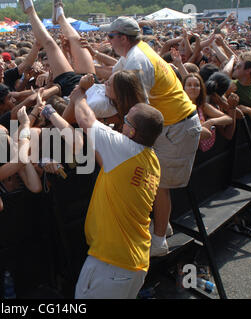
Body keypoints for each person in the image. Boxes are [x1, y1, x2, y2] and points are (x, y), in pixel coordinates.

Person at [100, 16, 202, 257]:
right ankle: (162, 226)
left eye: (110, 37)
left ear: (123, 38)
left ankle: (159, 242)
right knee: (155, 182)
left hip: (177, 127)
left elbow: (139, 109)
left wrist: (107, 120)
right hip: (172, 126)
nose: (108, 41)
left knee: (161, 185)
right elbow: (111, 75)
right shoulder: (134, 53)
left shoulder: (138, 61)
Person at [70, 83, 164, 298]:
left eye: (126, 119)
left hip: (111, 264)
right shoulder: (152, 159)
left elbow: (86, 120)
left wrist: (78, 97)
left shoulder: (124, 149)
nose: (122, 121)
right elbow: (106, 162)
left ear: (132, 131)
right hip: (134, 262)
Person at [182, 73, 236, 152]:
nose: (193, 88)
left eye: (197, 85)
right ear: (183, 88)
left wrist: (211, 121)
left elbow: (229, 119)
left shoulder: (203, 106)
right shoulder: (179, 106)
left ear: (201, 89)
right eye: (189, 85)